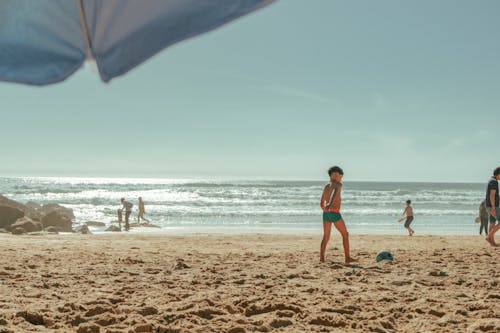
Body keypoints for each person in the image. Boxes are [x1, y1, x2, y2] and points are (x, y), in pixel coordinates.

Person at [319, 165, 357, 264]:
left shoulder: (326, 186)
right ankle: (347, 257)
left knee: (326, 236)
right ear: (330, 176)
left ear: (341, 176)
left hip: (326, 214)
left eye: (338, 175)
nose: (337, 177)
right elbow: (334, 194)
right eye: (334, 175)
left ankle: (322, 259)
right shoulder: (338, 185)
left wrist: (324, 207)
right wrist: (330, 204)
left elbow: (322, 200)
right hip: (334, 213)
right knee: (345, 234)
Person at [485, 167, 500, 246]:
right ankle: (489, 236)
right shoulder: (494, 182)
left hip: (489, 205)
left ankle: (492, 242)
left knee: (492, 223)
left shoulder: (491, 180)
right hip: (493, 206)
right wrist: (493, 207)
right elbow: (492, 195)